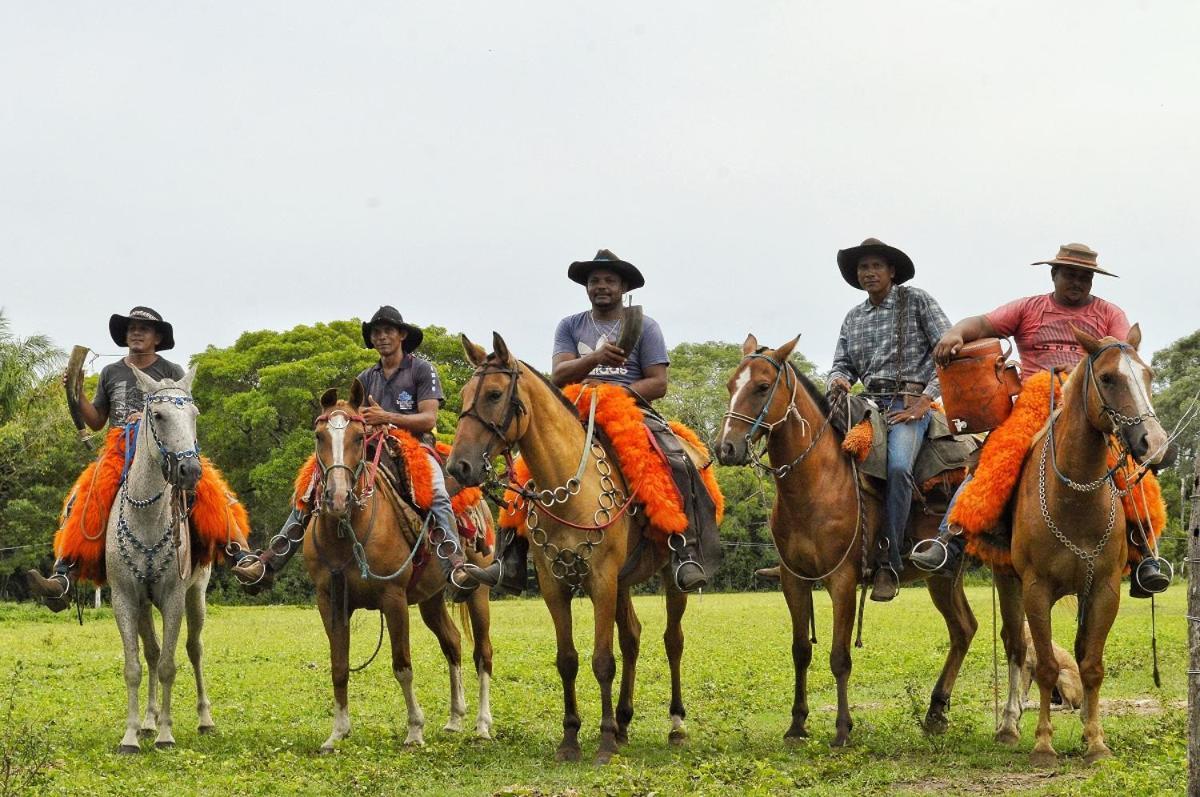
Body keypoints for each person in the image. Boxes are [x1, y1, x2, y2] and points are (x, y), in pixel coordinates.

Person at [914, 242, 1170, 597]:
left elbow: (1123, 350)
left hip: (1092, 401)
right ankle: (950, 537)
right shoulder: (1029, 308)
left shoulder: (1109, 313)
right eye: (1070, 274)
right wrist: (956, 333)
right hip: (1037, 396)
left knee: (1128, 465)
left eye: (1085, 276)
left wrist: (1086, 369)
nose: (1078, 281)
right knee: (996, 456)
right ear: (1054, 275)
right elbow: (983, 323)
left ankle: (1145, 553)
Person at [466, 249, 716, 593]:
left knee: (673, 459)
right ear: (586, 287)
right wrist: (597, 359)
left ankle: (684, 549)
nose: (601, 286)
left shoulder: (644, 325)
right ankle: (511, 555)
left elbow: (658, 383)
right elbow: (560, 373)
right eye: (594, 281)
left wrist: (615, 392)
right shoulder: (570, 325)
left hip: (630, 409)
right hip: (574, 410)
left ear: (623, 285)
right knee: (528, 468)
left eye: (609, 280)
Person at [26, 307, 263, 610]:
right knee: (84, 496)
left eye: (143, 329)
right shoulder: (112, 373)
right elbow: (97, 420)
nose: (135, 333)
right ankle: (64, 574)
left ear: (157, 338)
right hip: (120, 448)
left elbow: (182, 416)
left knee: (211, 490)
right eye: (131, 328)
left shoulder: (172, 370)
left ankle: (240, 556)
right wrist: (77, 393)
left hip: (167, 447)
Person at [257, 306, 479, 601]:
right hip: (369, 445)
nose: (382, 337)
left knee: (437, 493)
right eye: (376, 332)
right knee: (312, 482)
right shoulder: (366, 377)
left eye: (388, 331)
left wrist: (386, 417)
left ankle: (454, 565)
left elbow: (429, 419)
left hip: (413, 447)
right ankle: (270, 561)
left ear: (401, 335)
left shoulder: (421, 370)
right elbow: (356, 418)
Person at [827, 238, 952, 602]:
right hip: (867, 404)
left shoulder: (917, 301)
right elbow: (842, 363)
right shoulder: (853, 317)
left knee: (898, 467)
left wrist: (925, 401)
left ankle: (889, 562)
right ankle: (814, 552)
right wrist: (838, 380)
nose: (868, 273)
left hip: (911, 403)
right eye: (862, 268)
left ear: (892, 271)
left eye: (875, 266)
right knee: (818, 459)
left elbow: (948, 351)